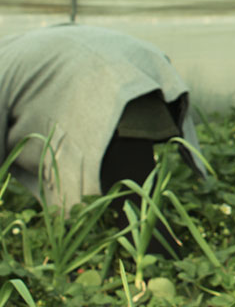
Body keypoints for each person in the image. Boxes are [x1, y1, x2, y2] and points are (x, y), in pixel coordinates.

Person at [0, 24, 206, 229]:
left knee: (135, 219)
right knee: (135, 199)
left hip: (105, 90)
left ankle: (154, 248)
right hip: (141, 72)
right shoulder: (17, 48)